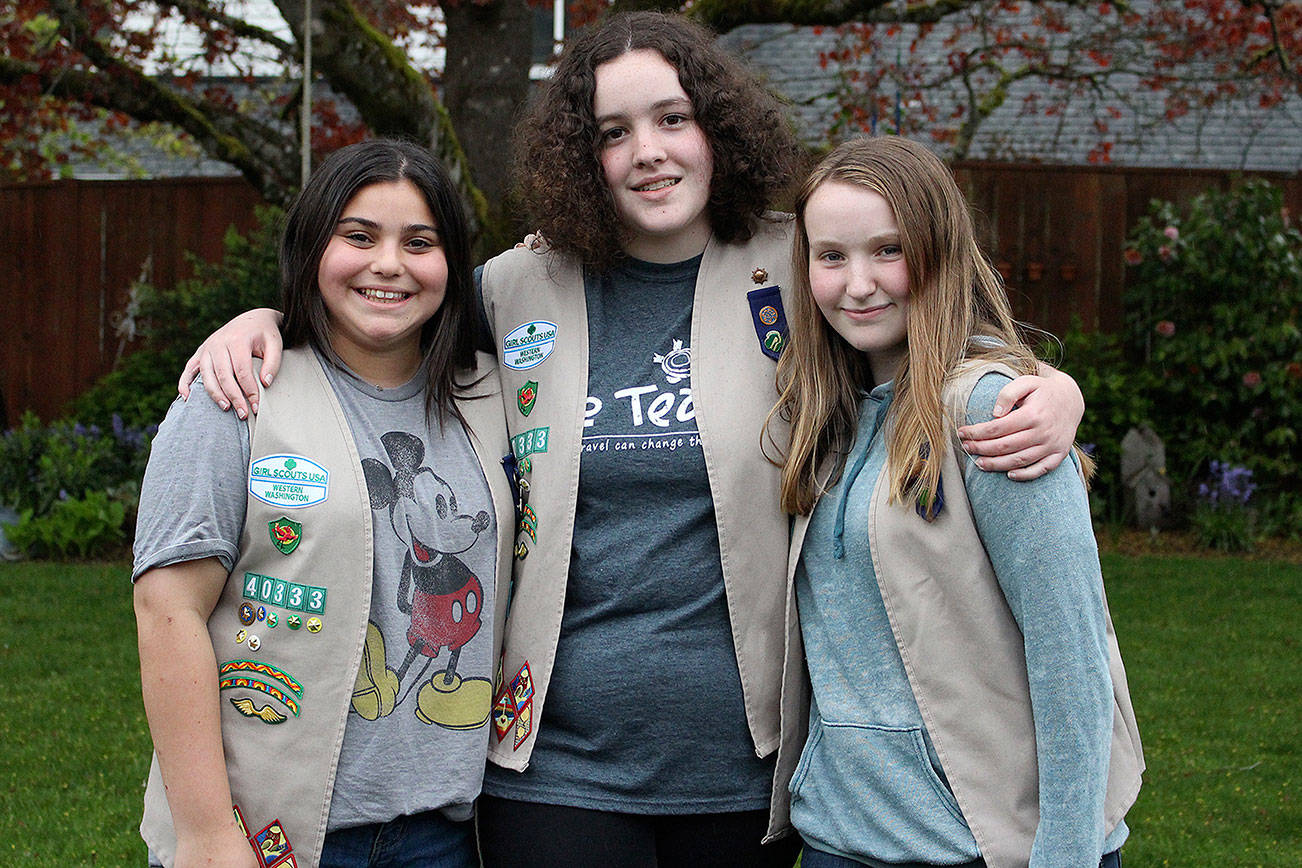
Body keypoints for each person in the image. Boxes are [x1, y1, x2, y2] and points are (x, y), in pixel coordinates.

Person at [177, 14, 1086, 866]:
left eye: (672, 118)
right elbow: (379, 309)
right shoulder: (515, 288)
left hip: (751, 769)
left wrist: (1050, 390)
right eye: (614, 132)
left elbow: (909, 328)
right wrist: (264, 319)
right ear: (585, 156)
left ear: (715, 129)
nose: (647, 152)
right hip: (555, 769)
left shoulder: (796, 267)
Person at [133, 139, 515, 868]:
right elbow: (166, 611)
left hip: (447, 835)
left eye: (420, 242)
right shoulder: (237, 395)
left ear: (450, 265)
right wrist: (209, 832)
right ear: (313, 246)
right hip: (272, 832)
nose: (388, 264)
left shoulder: (497, 398)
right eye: (359, 236)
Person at [770, 136, 1143, 868]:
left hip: (984, 845)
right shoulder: (822, 416)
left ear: (939, 251)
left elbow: (1073, 657)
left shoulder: (996, 411)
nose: (858, 284)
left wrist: (1064, 856)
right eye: (832, 256)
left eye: (888, 250)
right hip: (840, 841)